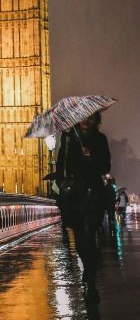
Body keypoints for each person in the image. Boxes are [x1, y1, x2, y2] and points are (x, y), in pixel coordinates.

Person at [55, 111, 111, 303]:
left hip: (93, 195)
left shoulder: (100, 139)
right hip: (73, 196)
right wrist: (61, 183)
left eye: (91, 119)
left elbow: (105, 167)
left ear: (97, 121)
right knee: (79, 241)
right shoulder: (69, 138)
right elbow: (61, 163)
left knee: (88, 236)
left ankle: (90, 281)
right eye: (83, 118)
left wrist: (91, 157)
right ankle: (88, 271)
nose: (86, 121)